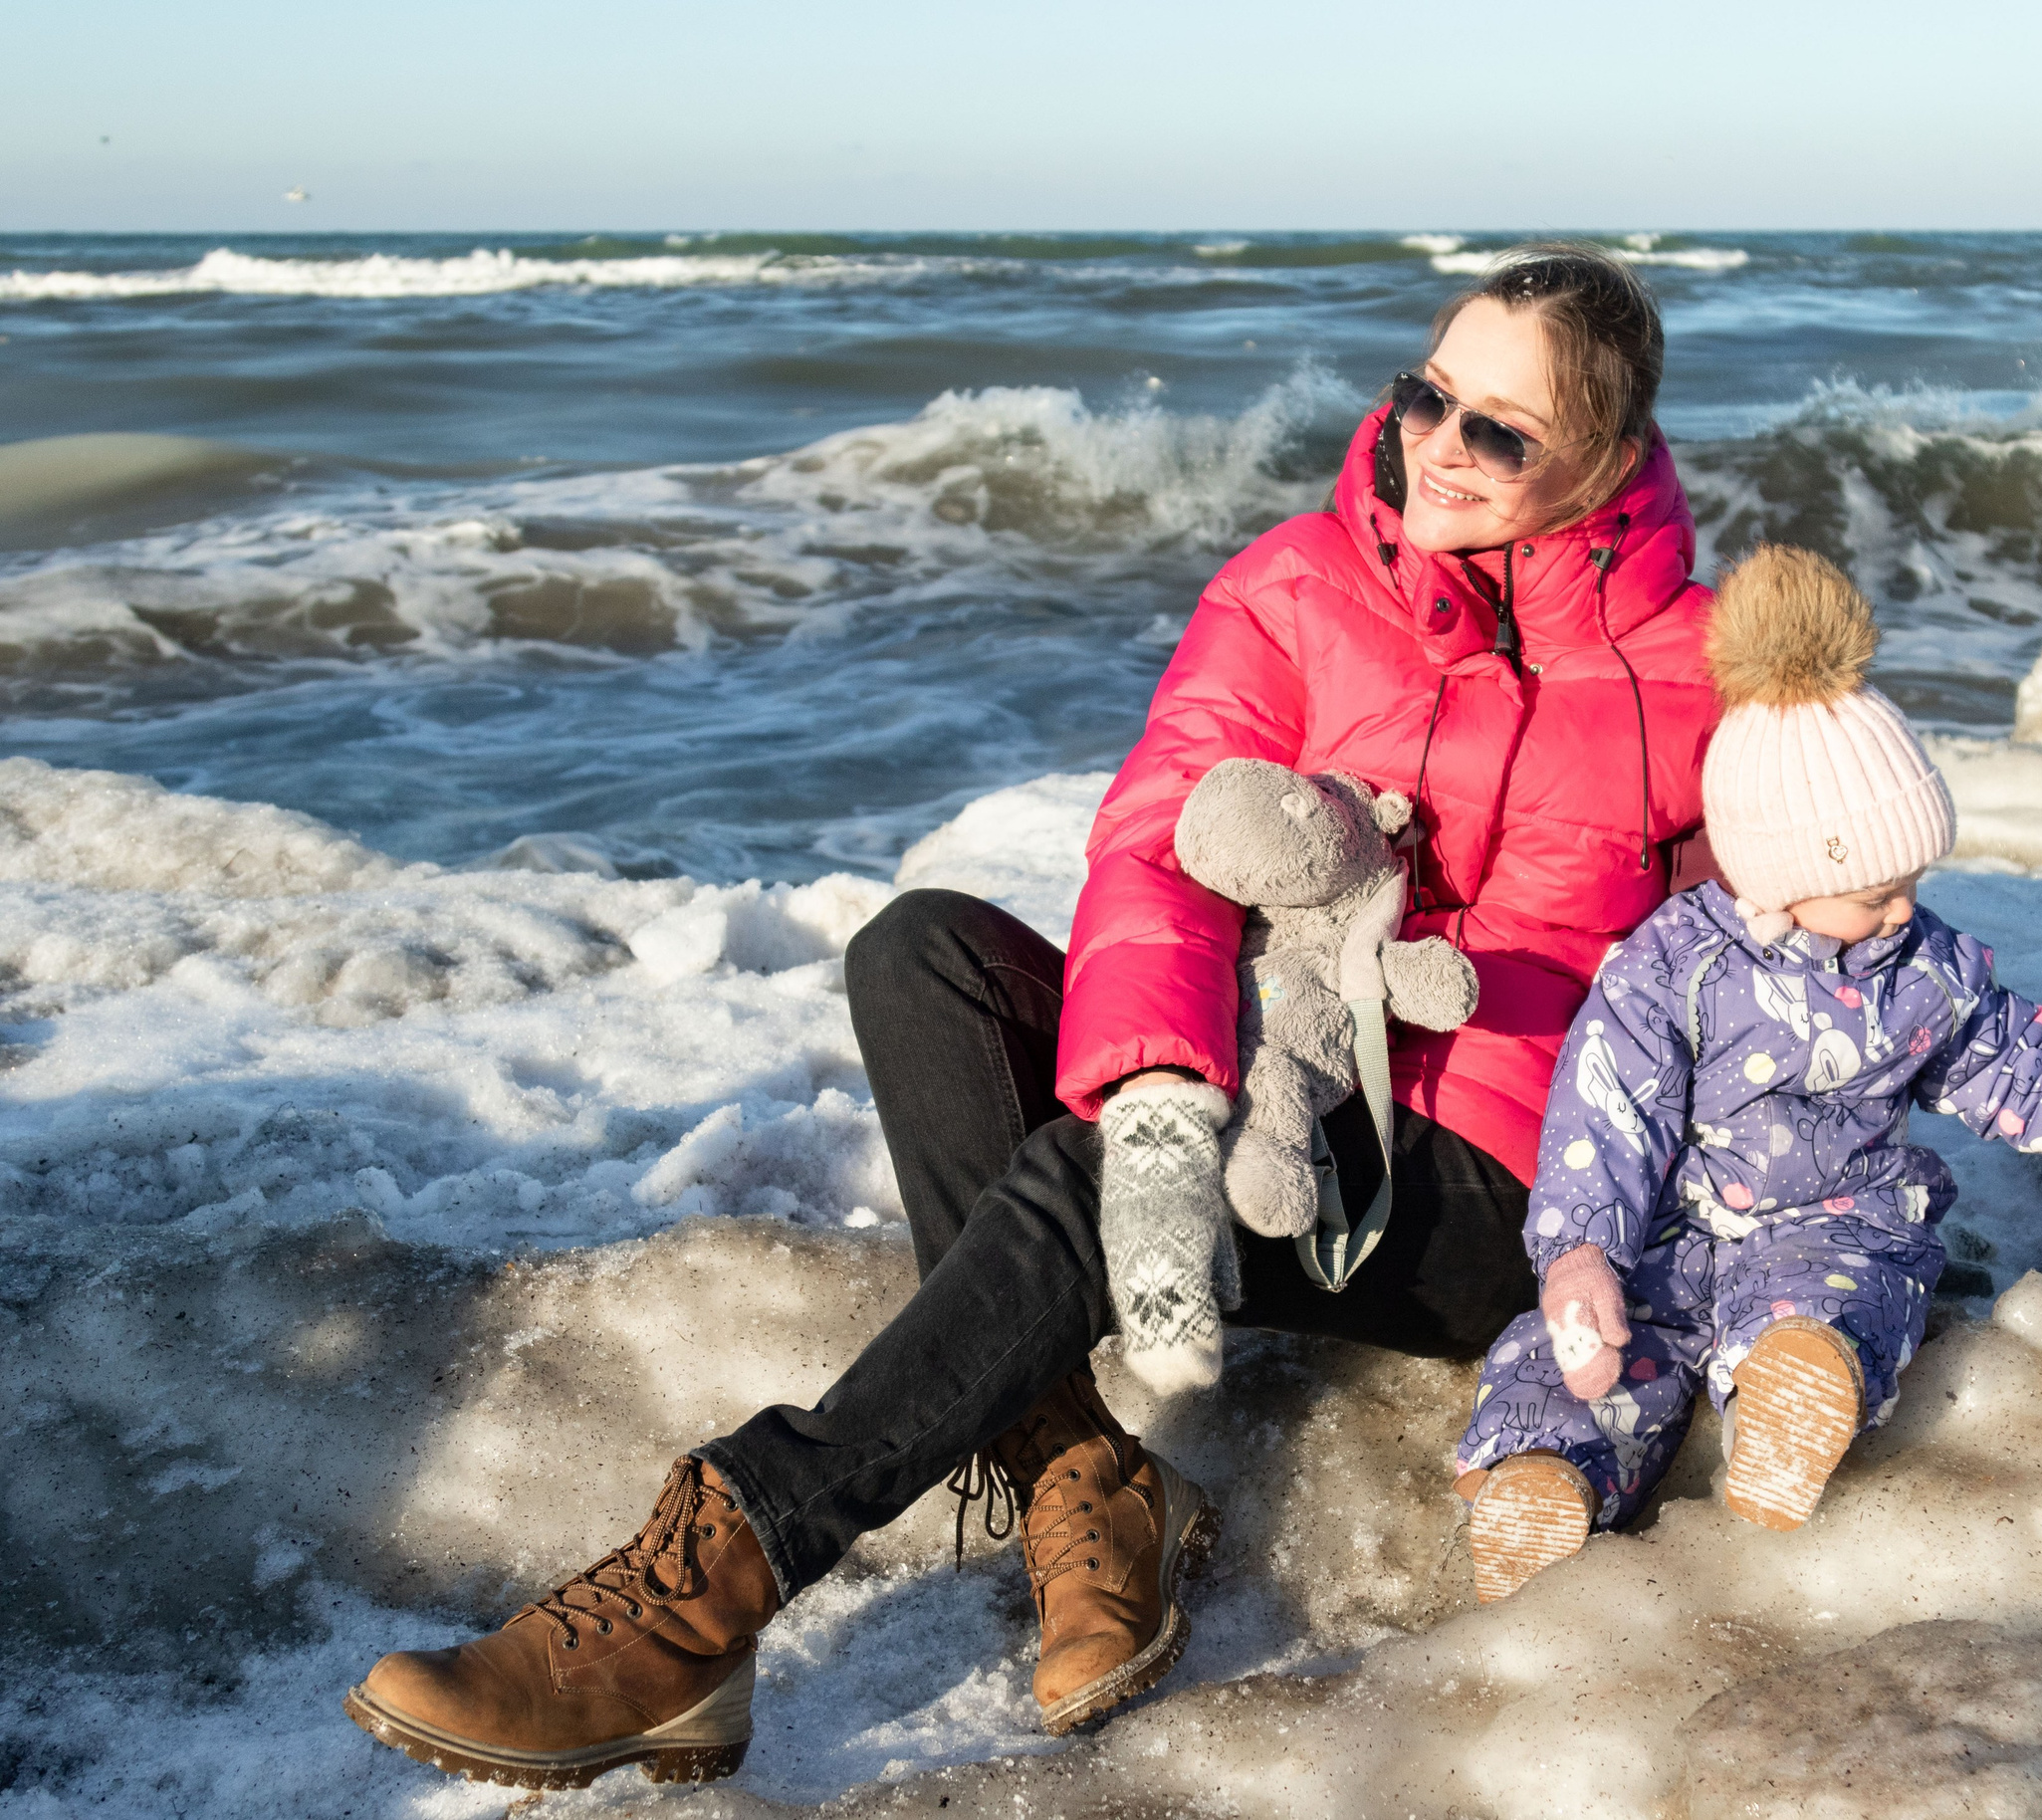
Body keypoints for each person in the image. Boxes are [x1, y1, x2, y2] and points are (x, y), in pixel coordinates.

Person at [341, 243, 1722, 1790]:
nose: (1439, 448)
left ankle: (713, 1589)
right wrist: (1158, 1105)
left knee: (1068, 1186)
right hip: (1275, 1062)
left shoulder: (1698, 673)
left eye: (1500, 432)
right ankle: (1083, 1471)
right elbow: (1163, 851)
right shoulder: (1297, 584)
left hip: (1491, 1171)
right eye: (1428, 396)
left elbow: (1768, 951)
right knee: (922, 954)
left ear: (1603, 464)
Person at [1452, 545, 2042, 1602]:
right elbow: (1607, 1111)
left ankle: (1791, 1391)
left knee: (1850, 1289)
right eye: (1875, 889)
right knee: (1587, 1359)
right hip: (1673, 1233)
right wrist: (1582, 1256)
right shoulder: (1670, 969)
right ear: (1781, 870)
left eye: (1911, 879)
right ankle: (1539, 1480)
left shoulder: (1920, 964)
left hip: (1831, 1218)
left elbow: (1996, 1050)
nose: (1903, 908)